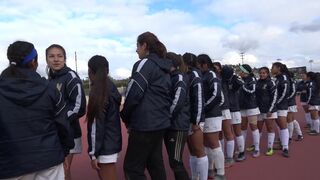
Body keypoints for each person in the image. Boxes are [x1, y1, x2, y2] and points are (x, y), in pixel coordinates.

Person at [0, 41, 73, 179]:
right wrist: (64, 151)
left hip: (10, 164)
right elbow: (62, 125)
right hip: (49, 159)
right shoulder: (50, 88)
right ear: (34, 61)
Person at [121, 32, 171, 180]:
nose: (136, 50)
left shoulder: (144, 64)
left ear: (144, 45)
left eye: (137, 46)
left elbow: (134, 93)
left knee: (132, 169)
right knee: (155, 164)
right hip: (160, 123)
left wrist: (125, 116)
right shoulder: (164, 66)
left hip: (144, 124)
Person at [46, 44, 87, 180]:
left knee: (63, 170)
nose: (56, 59)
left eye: (59, 56)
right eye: (51, 56)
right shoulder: (50, 79)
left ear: (65, 59)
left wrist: (58, 120)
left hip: (69, 133)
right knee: (58, 172)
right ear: (46, 60)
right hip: (55, 132)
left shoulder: (70, 77)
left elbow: (79, 106)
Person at [87, 55, 122, 180]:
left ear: (90, 71)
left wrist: (94, 154)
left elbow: (96, 127)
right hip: (111, 142)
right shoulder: (110, 87)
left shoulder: (98, 92)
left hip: (104, 147)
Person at [197, 54, 225, 180]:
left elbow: (217, 95)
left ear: (205, 64)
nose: (197, 66)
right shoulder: (202, 75)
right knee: (207, 143)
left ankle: (221, 173)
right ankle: (210, 168)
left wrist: (204, 107)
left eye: (199, 64)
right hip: (206, 114)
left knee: (214, 144)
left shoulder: (212, 75)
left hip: (212, 114)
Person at [164, 52, 190, 180]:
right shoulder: (171, 76)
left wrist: (167, 117)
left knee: (176, 161)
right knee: (173, 161)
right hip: (172, 125)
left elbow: (178, 101)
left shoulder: (179, 77)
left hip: (178, 125)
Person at [182, 52, 208, 180]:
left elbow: (198, 99)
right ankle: (194, 177)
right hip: (188, 118)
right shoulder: (187, 75)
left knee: (199, 150)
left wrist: (196, 121)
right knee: (192, 151)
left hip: (195, 120)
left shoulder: (195, 75)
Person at [221, 66, 246, 162]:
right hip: (226, 109)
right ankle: (230, 153)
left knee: (237, 131)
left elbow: (241, 83)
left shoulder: (234, 79)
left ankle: (241, 152)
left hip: (234, 108)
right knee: (228, 132)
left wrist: (234, 78)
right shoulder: (221, 80)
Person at [214, 63, 235, 167]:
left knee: (228, 133)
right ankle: (221, 156)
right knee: (219, 134)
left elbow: (228, 70)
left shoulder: (223, 78)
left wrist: (221, 70)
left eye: (217, 68)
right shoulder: (212, 77)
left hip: (224, 108)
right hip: (215, 110)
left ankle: (230, 158)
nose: (215, 70)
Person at [238, 64, 261, 158]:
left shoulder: (252, 80)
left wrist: (242, 85)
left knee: (253, 127)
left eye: (241, 71)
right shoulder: (242, 80)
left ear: (245, 72)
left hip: (251, 107)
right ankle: (241, 148)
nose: (240, 73)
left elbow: (252, 91)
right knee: (243, 127)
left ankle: (257, 149)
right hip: (242, 107)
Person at [256, 67, 278, 156]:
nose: (262, 74)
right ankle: (256, 145)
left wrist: (271, 109)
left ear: (267, 74)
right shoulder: (257, 82)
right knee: (258, 129)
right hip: (259, 110)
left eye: (264, 73)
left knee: (270, 129)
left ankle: (270, 148)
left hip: (269, 110)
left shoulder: (271, 82)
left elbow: (274, 97)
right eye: (260, 73)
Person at [271, 62, 290, 157]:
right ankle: (282, 142)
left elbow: (285, 92)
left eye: (273, 67)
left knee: (283, 126)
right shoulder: (277, 78)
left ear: (278, 68)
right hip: (276, 105)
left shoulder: (284, 78)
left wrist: (276, 102)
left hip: (281, 106)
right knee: (279, 125)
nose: (271, 69)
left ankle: (286, 148)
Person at [286, 71, 303, 141]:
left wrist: (285, 99)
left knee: (289, 120)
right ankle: (300, 134)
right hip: (289, 103)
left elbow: (293, 93)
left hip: (290, 104)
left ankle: (289, 137)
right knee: (292, 120)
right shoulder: (290, 82)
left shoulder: (291, 82)